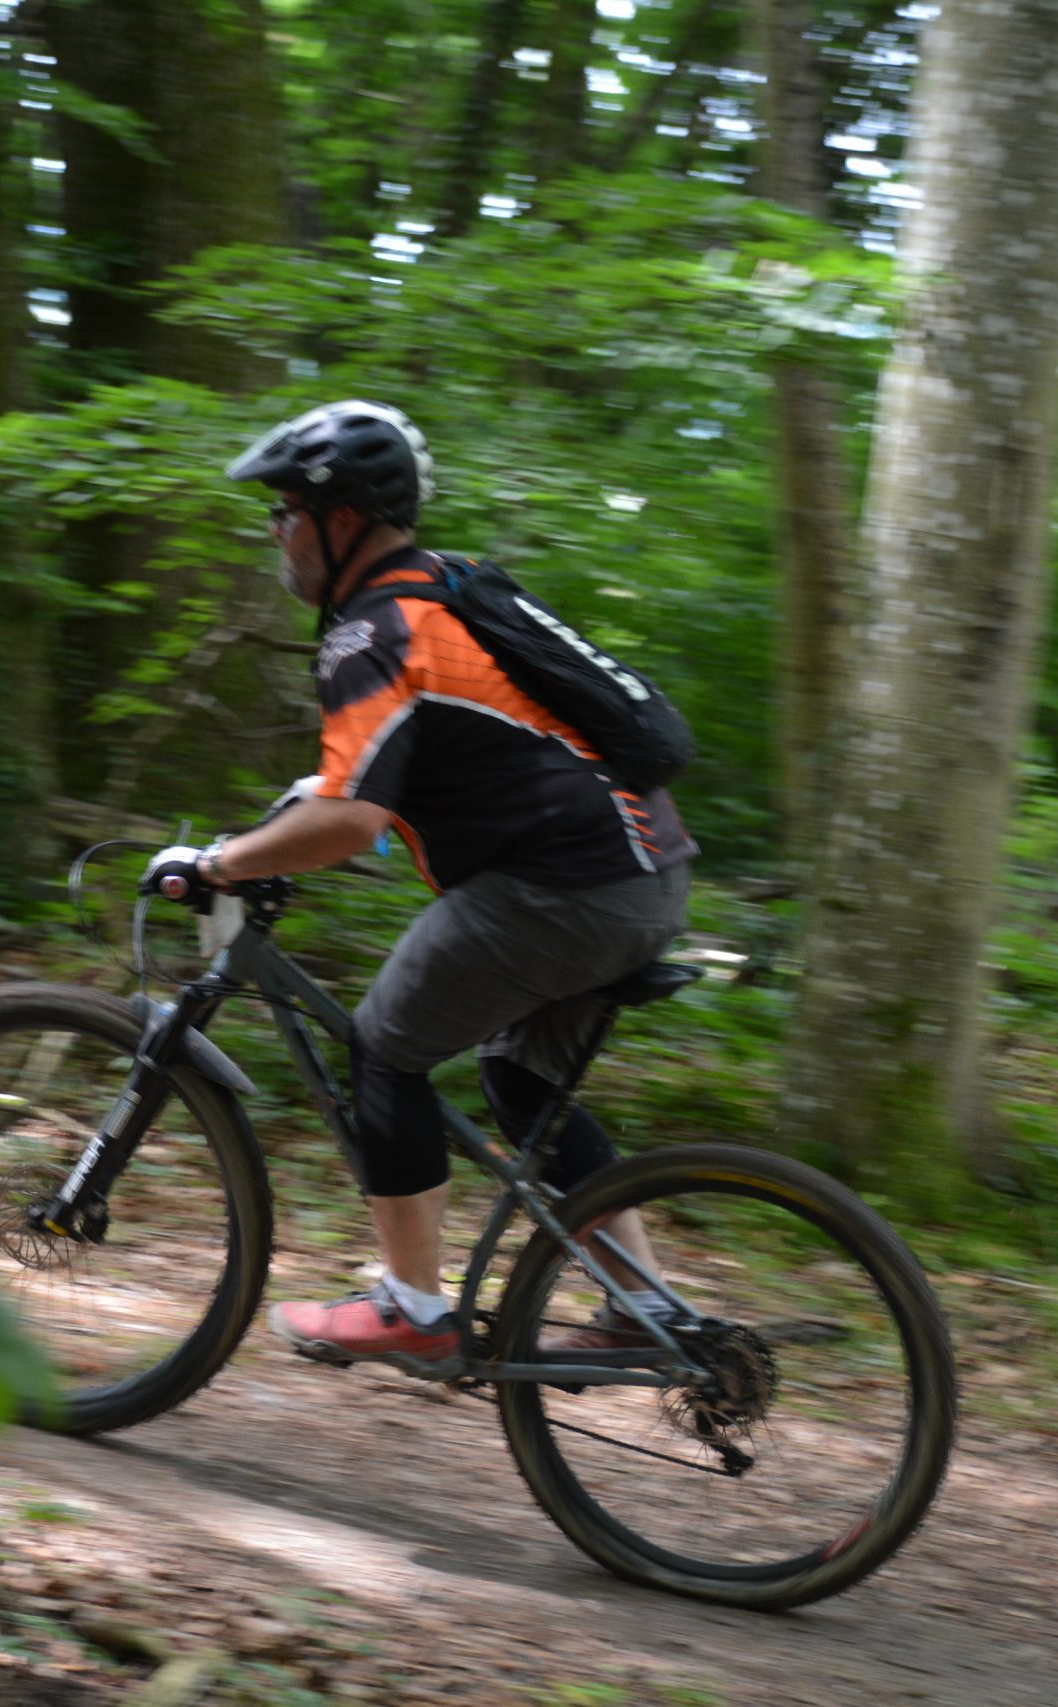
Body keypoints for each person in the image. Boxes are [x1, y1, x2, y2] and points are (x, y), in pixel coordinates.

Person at [141, 401, 697, 1376]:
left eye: (283, 512)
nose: (273, 533)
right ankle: (640, 1305)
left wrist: (221, 863)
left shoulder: (371, 632)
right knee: (519, 1079)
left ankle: (411, 1307)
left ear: (341, 519)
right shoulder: (437, 593)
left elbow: (352, 821)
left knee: (383, 1046)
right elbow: (404, 766)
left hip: (566, 885)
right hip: (643, 874)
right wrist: (283, 823)